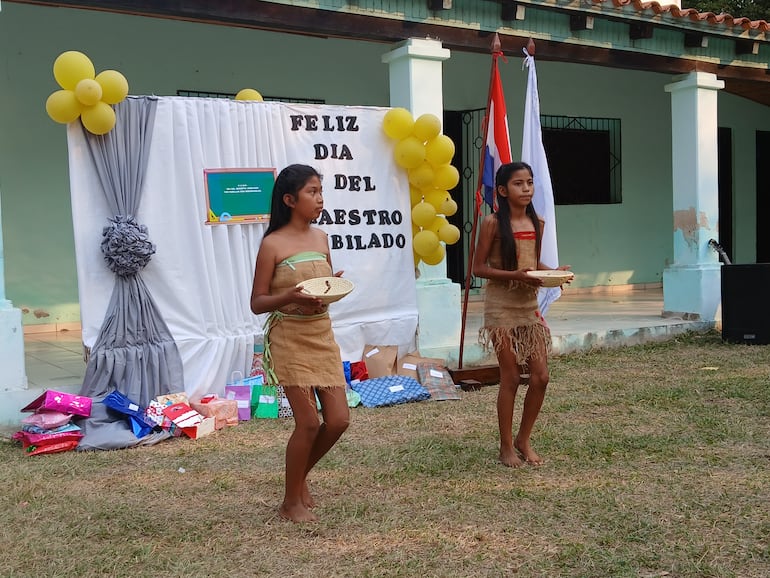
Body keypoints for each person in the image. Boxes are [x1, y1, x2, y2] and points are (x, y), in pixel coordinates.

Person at [250, 164, 350, 522]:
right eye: (312, 192)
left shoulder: (321, 237)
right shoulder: (272, 244)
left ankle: (299, 477)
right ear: (290, 200)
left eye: (321, 191)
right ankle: (290, 502)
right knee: (308, 423)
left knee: (338, 421)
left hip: (321, 335)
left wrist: (330, 287)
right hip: (289, 338)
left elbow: (324, 286)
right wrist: (289, 296)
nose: (320, 198)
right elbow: (258, 302)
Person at [472, 161, 570, 468]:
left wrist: (553, 274)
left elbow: (534, 265)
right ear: (502, 190)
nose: (526, 188)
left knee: (541, 377)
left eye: (529, 182)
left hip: (528, 307)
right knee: (511, 376)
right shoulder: (491, 223)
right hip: (500, 307)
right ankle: (505, 447)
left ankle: (523, 439)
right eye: (518, 183)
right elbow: (477, 269)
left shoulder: (537, 223)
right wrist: (517, 274)